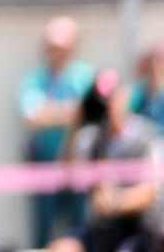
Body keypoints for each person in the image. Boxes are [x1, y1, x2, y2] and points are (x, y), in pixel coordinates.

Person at [49, 69, 164, 252]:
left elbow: (149, 192)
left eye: (113, 97)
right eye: (103, 99)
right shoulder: (91, 138)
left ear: (125, 96)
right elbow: (67, 177)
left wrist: (114, 202)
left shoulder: (147, 137)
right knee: (62, 248)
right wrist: (76, 123)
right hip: (100, 230)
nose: (109, 104)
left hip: (139, 230)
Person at [23, 16, 99, 247]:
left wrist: (52, 113)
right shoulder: (35, 78)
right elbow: (33, 117)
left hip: (80, 164)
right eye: (53, 47)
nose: (57, 53)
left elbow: (91, 115)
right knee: (43, 231)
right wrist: (70, 112)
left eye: (62, 48)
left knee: (80, 229)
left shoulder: (85, 75)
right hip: (45, 164)